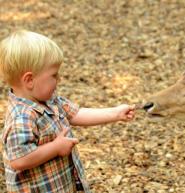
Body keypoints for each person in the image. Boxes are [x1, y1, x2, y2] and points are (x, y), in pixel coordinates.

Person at [0, 30, 135, 193]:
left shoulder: (50, 100)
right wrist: (55, 148)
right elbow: (19, 160)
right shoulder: (22, 117)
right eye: (54, 75)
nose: (59, 80)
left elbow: (77, 114)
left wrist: (115, 113)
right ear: (29, 80)